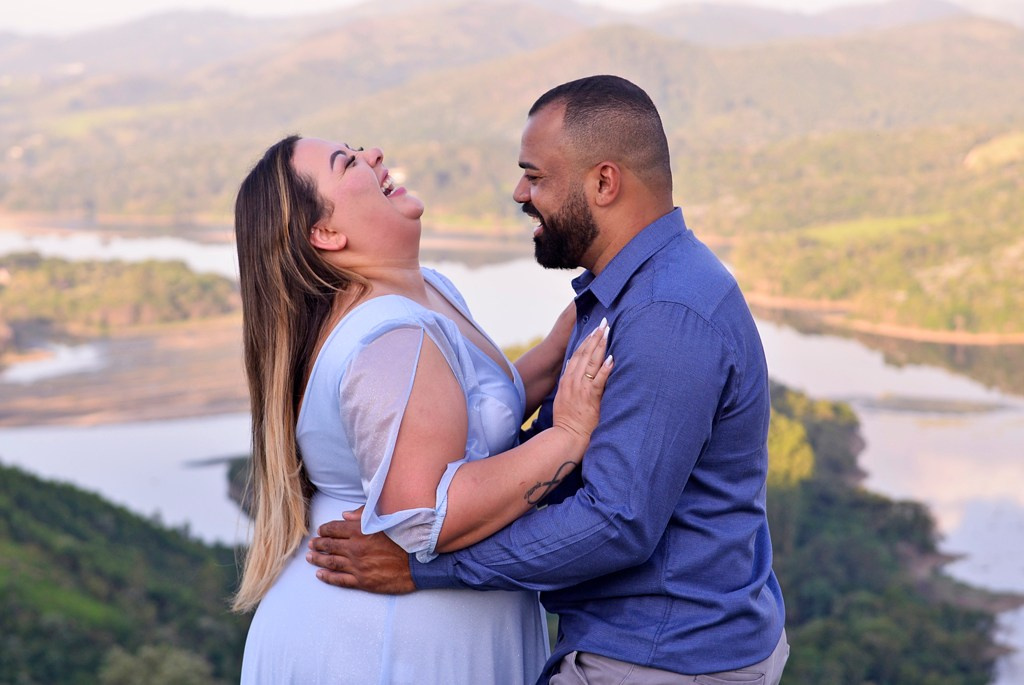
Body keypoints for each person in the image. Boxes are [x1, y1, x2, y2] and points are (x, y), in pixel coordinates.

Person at [308, 75, 789, 684]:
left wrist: (421, 568)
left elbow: (615, 522)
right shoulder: (629, 294)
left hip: (660, 660)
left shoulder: (667, 316)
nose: (519, 192)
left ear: (604, 183)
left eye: (535, 177)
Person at [231, 134, 613, 684]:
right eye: (348, 163)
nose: (374, 156)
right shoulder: (392, 336)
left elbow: (477, 412)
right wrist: (569, 436)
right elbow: (423, 517)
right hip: (382, 648)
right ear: (327, 233)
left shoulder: (426, 292)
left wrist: (582, 327)